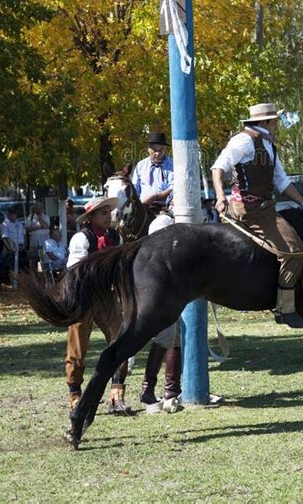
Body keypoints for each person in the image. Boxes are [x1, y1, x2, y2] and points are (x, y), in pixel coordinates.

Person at [211, 102, 303, 329]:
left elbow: (282, 181)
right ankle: (285, 309)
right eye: (274, 121)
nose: (277, 124)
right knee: (294, 252)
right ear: (265, 122)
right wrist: (220, 196)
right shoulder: (243, 141)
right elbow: (219, 167)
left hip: (264, 207)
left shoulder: (268, 146)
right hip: (253, 211)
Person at [65, 196, 130, 414]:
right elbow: (74, 272)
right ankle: (75, 395)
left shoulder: (115, 237)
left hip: (107, 297)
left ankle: (116, 395)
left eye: (108, 212)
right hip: (84, 297)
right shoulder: (81, 239)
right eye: (103, 213)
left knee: (120, 339)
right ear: (91, 217)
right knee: (77, 347)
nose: (108, 216)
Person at [139, 209, 182, 414]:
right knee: (168, 339)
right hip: (166, 303)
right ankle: (159, 389)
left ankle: (168, 389)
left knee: (173, 340)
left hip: (171, 301)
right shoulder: (158, 255)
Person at [132, 131, 174, 216]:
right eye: (154, 150)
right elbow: (135, 189)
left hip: (165, 208)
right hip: (142, 208)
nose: (158, 154)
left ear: (165, 148)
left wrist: (155, 197)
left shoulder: (172, 165)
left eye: (161, 150)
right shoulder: (141, 165)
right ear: (148, 149)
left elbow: (173, 188)